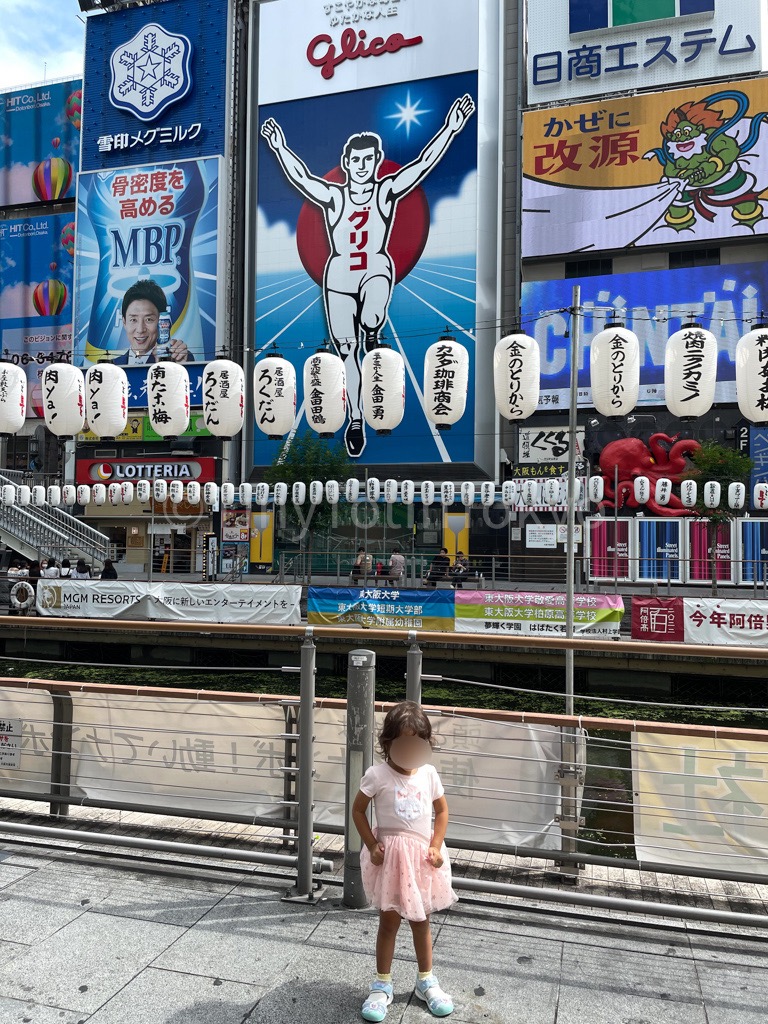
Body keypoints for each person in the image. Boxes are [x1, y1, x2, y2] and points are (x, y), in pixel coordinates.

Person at [261, 93, 475, 458]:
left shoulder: (386, 191)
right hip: (339, 276)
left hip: (375, 267)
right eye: (355, 160)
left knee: (374, 306)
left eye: (368, 160)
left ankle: (374, 330)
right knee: (346, 352)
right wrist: (279, 148)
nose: (362, 165)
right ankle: (356, 419)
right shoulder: (333, 196)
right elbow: (301, 177)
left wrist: (451, 129)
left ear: (377, 163)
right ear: (347, 163)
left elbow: (423, 164)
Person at [352, 701, 456, 1022]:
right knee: (388, 923)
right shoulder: (377, 775)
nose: (411, 750)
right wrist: (371, 844)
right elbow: (358, 810)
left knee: (421, 922)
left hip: (421, 861)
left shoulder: (429, 774)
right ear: (388, 744)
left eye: (417, 743)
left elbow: (441, 811)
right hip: (390, 860)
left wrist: (436, 846)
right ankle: (382, 985)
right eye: (404, 743)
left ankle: (426, 980)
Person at [111, 280, 189, 365]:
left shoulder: (177, 358)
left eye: (149, 319)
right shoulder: (111, 368)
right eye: (133, 320)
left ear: (161, 322)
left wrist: (178, 368)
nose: (140, 329)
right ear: (124, 322)